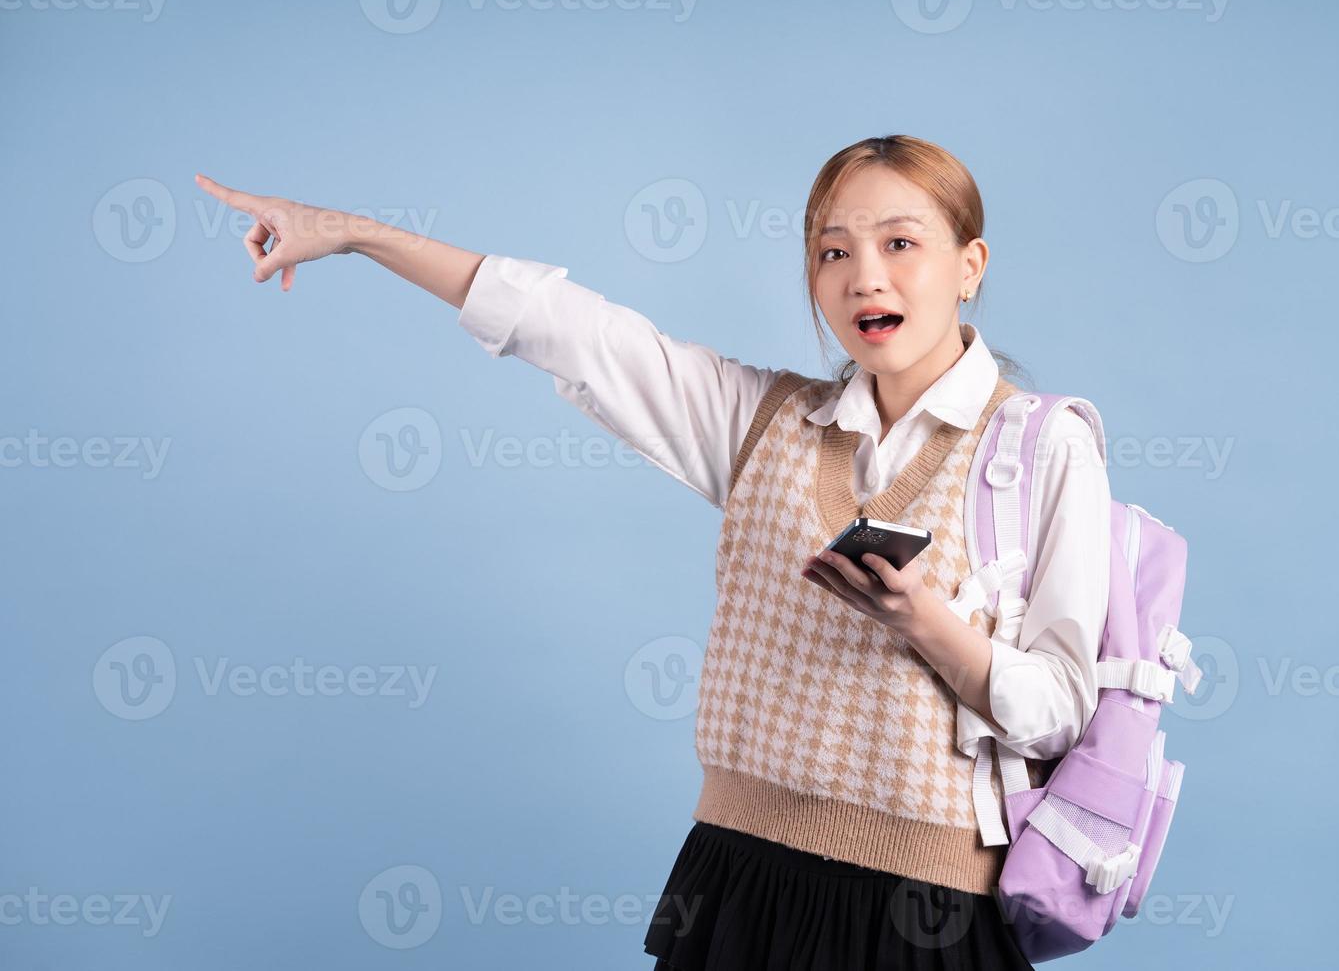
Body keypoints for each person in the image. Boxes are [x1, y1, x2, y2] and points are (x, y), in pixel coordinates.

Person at [195, 133, 1111, 971]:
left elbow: (1064, 710)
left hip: (929, 910)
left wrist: (931, 627)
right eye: (834, 252)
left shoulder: (1042, 448)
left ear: (970, 266)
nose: (865, 277)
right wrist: (356, 235)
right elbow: (571, 330)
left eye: (901, 244)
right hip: (738, 884)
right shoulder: (763, 423)